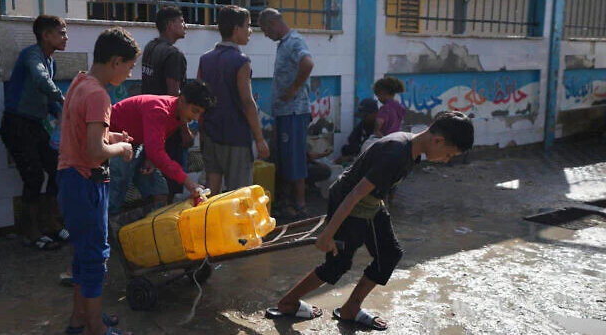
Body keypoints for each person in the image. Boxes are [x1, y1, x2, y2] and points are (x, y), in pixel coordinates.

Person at [266, 112, 474, 331]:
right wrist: (327, 235)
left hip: (372, 204)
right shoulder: (396, 152)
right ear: (438, 141)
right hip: (350, 202)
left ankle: (351, 308)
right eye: (448, 154)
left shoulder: (413, 150)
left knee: (389, 254)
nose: (446, 160)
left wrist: (379, 211)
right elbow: (354, 194)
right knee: (338, 264)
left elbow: (380, 185)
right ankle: (288, 302)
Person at [57, 27, 140, 335]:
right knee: (94, 259)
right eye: (129, 67)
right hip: (86, 182)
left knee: (83, 255)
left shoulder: (79, 83)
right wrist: (121, 148)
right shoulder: (99, 95)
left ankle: (79, 320)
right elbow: (95, 150)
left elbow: (84, 136)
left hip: (69, 178)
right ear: (116, 61)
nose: (129, 74)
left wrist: (110, 136)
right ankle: (96, 328)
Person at [0, 15, 69, 251]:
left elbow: (45, 97)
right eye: (61, 32)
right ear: (45, 35)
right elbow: (41, 81)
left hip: (35, 125)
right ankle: (29, 232)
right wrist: (63, 100)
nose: (65, 37)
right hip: (16, 124)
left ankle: (51, 223)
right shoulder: (33, 55)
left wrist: (61, 111)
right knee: (34, 176)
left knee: (57, 169)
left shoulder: (52, 61)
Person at [108, 80, 216, 214]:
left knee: (160, 191)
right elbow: (156, 152)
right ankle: (107, 228)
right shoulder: (159, 110)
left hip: (137, 144)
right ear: (182, 100)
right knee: (115, 194)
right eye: (194, 111)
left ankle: (152, 228)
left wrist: (150, 158)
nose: (195, 117)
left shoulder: (178, 113)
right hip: (113, 142)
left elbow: (155, 143)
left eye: (200, 113)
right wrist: (188, 182)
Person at [198, 5, 269, 195]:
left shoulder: (205, 59)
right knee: (238, 195)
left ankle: (209, 225)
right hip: (236, 137)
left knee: (211, 192)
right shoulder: (241, 61)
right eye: (247, 26)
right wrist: (260, 139)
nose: (250, 31)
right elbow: (247, 102)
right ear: (236, 30)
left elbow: (200, 100)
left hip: (212, 135)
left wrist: (202, 133)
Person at [258, 8, 314, 218]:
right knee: (284, 159)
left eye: (264, 29)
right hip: (284, 113)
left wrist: (293, 89)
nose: (265, 34)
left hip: (294, 112)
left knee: (294, 159)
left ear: (273, 23)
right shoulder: (284, 44)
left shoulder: (294, 41)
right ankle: (288, 202)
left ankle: (300, 205)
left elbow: (307, 63)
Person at [141, 6, 193, 202]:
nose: (185, 25)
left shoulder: (150, 48)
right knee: (170, 179)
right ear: (170, 26)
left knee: (153, 178)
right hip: (167, 127)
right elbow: (174, 96)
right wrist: (184, 129)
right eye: (181, 21)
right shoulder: (173, 55)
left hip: (149, 122)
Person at [335, 98, 379, 165]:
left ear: (374, 113)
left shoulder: (378, 126)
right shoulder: (363, 124)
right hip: (360, 152)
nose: (362, 118)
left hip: (372, 156)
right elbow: (352, 138)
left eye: (365, 115)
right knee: (346, 149)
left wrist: (351, 158)